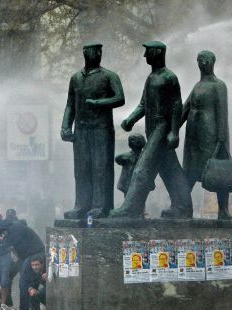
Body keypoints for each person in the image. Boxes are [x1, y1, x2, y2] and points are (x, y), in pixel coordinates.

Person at [111, 41, 192, 218]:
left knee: (142, 168)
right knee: (170, 169)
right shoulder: (151, 78)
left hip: (161, 128)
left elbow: (177, 105)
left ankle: (131, 207)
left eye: (147, 52)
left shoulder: (169, 77)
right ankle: (183, 207)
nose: (145, 56)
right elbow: (143, 104)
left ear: (157, 52)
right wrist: (130, 120)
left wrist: (174, 132)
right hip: (152, 128)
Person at [61, 41, 125, 219]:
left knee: (100, 167)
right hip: (81, 130)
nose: (98, 54)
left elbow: (120, 98)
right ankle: (81, 205)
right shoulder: (76, 78)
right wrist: (65, 126)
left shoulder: (109, 76)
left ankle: (101, 206)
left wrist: (98, 103)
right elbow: (70, 105)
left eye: (99, 51)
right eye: (94, 51)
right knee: (81, 168)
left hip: (101, 129)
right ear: (85, 53)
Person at [180, 50, 232, 220]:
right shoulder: (197, 86)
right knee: (189, 172)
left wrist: (222, 140)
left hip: (211, 136)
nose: (205, 63)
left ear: (213, 63)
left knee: (218, 173)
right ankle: (183, 206)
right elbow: (185, 109)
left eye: (208, 60)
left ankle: (223, 210)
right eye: (202, 60)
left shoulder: (219, 85)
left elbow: (222, 113)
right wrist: (172, 130)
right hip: (193, 136)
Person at [0, 219, 45, 310]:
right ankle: (32, 307)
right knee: (29, 279)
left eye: (3, 233)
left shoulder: (15, 230)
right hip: (30, 253)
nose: (4, 234)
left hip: (34, 253)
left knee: (24, 281)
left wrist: (3, 240)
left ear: (5, 230)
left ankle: (25, 309)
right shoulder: (16, 228)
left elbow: (9, 244)